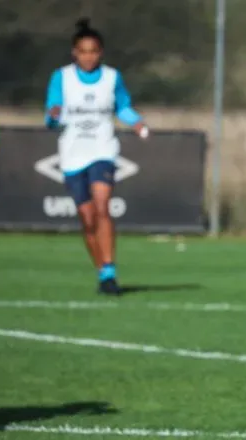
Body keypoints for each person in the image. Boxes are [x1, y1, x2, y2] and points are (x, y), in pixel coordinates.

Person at [45, 18, 149, 296]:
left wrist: (136, 123)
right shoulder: (62, 77)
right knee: (87, 217)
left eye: (93, 51)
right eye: (83, 51)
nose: (88, 56)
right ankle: (101, 270)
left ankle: (110, 271)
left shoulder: (112, 78)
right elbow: (52, 113)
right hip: (72, 153)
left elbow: (123, 108)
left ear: (100, 52)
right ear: (74, 53)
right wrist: (53, 116)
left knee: (102, 206)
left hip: (103, 150)